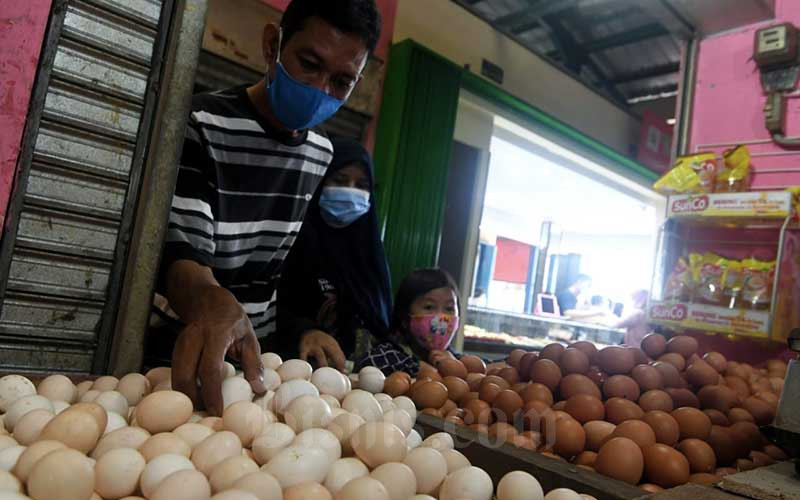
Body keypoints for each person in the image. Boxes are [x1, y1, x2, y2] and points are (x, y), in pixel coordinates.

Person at [151, 0, 382, 416]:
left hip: (258, 366)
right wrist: (211, 300)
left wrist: (298, 331)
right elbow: (182, 254)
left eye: (342, 81)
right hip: (176, 355)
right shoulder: (200, 122)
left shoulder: (320, 154)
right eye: (309, 63)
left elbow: (284, 272)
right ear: (273, 43)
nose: (320, 90)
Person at [276, 138, 393, 370]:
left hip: (355, 382)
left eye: (361, 185)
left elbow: (381, 326)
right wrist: (305, 330)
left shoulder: (370, 258)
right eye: (339, 180)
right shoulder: (289, 242)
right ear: (319, 183)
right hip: (291, 370)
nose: (351, 191)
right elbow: (271, 307)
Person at [354, 268, 460, 376]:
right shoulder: (389, 355)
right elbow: (366, 366)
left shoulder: (455, 358)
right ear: (405, 317)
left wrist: (454, 368)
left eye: (449, 308)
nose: (441, 318)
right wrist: (418, 368)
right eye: (429, 307)